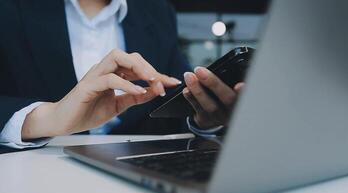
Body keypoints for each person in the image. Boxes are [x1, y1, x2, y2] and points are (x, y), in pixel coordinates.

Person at [0, 0, 242, 149]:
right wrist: (45, 118)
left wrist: (203, 118)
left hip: (137, 172)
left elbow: (174, 102)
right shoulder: (10, 8)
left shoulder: (157, 12)